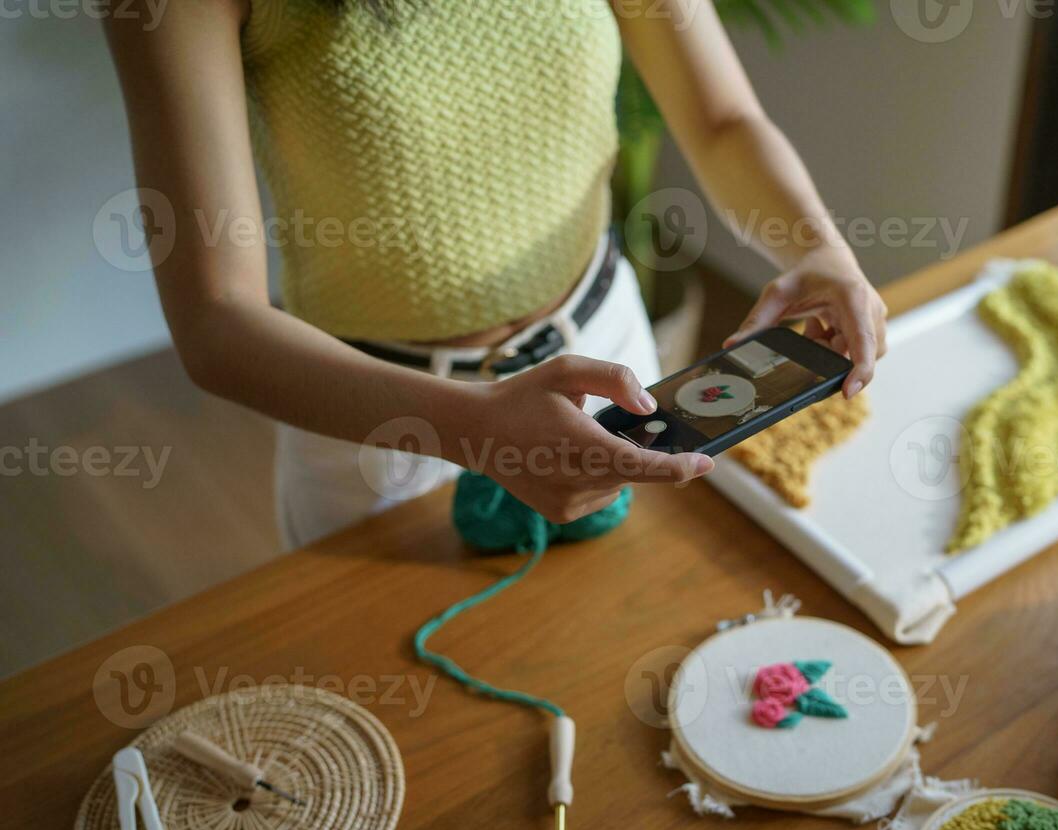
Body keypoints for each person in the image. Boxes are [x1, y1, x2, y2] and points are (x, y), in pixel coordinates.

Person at [104, 0, 887, 547]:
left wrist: (817, 248)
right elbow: (215, 320)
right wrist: (477, 432)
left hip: (614, 358)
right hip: (386, 423)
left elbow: (721, 119)